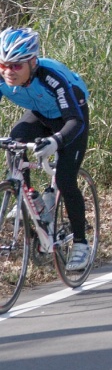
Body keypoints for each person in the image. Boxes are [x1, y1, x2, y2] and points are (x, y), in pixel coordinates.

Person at [0, 27, 91, 270]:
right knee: (16, 138)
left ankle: (81, 244)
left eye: (17, 66)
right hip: (40, 115)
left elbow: (75, 121)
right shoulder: (1, 76)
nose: (9, 72)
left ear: (32, 61)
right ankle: (29, 196)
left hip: (71, 119)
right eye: (4, 65)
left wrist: (56, 141)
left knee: (64, 180)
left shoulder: (51, 77)